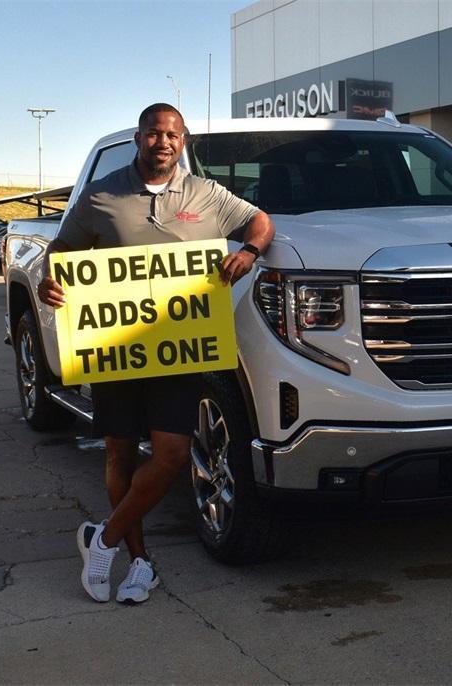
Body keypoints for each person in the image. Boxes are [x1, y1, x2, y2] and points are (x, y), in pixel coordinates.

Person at [37, 103, 275, 604]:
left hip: (178, 348)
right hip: (116, 349)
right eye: (152, 134)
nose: (162, 142)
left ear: (182, 140)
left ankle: (100, 540)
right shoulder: (102, 197)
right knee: (119, 451)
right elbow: (62, 252)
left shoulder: (206, 195)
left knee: (169, 455)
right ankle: (140, 561)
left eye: (171, 135)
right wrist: (50, 281)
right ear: (138, 140)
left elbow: (260, 223)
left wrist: (249, 251)